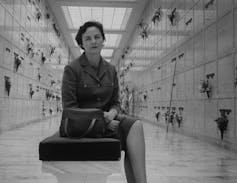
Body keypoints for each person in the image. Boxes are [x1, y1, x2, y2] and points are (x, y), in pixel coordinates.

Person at [60, 21, 147, 183]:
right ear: (81, 43)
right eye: (88, 38)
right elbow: (69, 109)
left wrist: (113, 113)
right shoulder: (72, 70)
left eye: (97, 37)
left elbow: (115, 102)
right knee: (128, 134)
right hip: (83, 126)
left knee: (136, 126)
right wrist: (102, 120)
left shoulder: (111, 70)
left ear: (103, 41)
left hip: (109, 119)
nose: (93, 41)